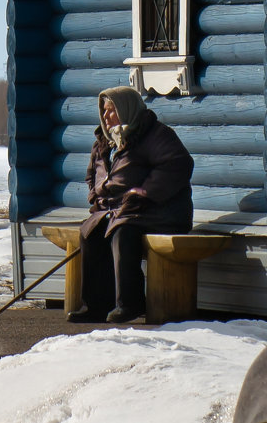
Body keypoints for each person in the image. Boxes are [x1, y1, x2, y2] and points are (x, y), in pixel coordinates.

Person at [69, 85, 194, 324]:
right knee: (90, 232)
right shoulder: (104, 142)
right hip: (117, 211)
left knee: (123, 233)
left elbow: (178, 165)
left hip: (157, 211)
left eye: (111, 110)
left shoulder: (154, 134)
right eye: (103, 112)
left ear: (126, 109)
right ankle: (95, 305)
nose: (106, 117)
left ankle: (130, 303)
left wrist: (144, 193)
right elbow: (92, 175)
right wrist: (96, 197)